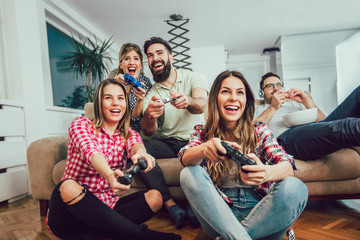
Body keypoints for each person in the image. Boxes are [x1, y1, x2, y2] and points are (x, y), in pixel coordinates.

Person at [179, 70, 308, 240]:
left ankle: (235, 237)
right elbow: (185, 157)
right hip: (221, 217)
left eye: (240, 92)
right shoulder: (203, 133)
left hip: (264, 217)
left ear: (246, 101)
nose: (233, 98)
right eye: (226, 91)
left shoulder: (259, 130)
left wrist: (266, 172)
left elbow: (287, 166)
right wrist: (204, 149)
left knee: (296, 187)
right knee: (188, 173)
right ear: (214, 99)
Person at [47, 78, 181, 240]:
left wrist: (141, 154)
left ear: (126, 104)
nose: (115, 103)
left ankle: (87, 236)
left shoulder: (129, 133)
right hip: (70, 212)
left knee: (156, 197)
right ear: (99, 102)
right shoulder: (81, 125)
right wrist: (109, 174)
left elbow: (136, 146)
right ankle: (142, 236)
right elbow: (92, 152)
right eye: (108, 97)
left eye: (120, 98)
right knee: (67, 186)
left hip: (107, 208)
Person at [138, 36, 208, 228]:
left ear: (171, 57)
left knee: (213, 148)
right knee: (137, 150)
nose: (155, 58)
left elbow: (201, 105)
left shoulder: (194, 77)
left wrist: (188, 101)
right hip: (169, 143)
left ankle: (197, 205)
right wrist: (150, 116)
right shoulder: (151, 93)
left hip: (196, 139)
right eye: (150, 55)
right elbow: (148, 131)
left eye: (159, 53)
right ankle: (170, 205)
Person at [255, 72, 360, 160]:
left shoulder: (295, 103)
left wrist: (306, 101)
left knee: (358, 93)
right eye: (270, 86)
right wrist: (273, 107)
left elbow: (325, 122)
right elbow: (254, 131)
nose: (276, 88)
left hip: (312, 132)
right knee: (348, 126)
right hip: (286, 139)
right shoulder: (258, 109)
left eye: (279, 85)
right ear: (261, 93)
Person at [109, 43, 152, 133]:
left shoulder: (145, 82)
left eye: (136, 58)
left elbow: (135, 118)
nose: (131, 62)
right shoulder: (114, 79)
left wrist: (140, 100)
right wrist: (115, 86)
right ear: (121, 64)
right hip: (114, 125)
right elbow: (107, 109)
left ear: (141, 65)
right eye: (127, 58)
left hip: (134, 129)